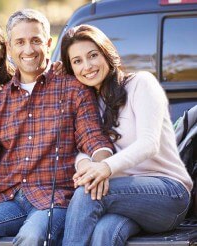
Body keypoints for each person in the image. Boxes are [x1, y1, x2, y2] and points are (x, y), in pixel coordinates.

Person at [0, 9, 114, 246]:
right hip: (9, 200)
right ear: (9, 48)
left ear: (49, 44)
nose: (28, 50)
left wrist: (102, 166)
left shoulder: (74, 89)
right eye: (20, 42)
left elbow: (93, 138)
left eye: (35, 41)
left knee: (31, 237)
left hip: (55, 202)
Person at [60, 24, 193, 246]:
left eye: (93, 55)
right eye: (77, 61)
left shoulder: (140, 83)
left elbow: (149, 143)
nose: (87, 66)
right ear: (71, 69)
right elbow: (83, 150)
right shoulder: (88, 102)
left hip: (168, 193)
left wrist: (105, 168)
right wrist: (86, 167)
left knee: (86, 194)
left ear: (106, 53)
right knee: (105, 231)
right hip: (125, 198)